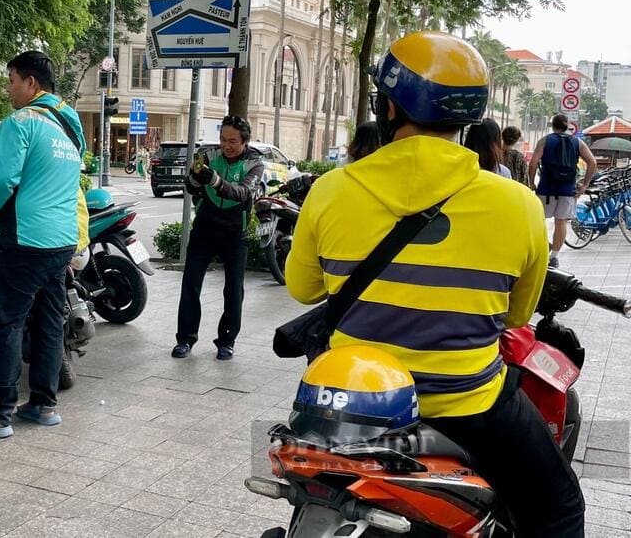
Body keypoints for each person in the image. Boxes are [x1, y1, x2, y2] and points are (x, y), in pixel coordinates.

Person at [286, 31, 583, 537]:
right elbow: (514, 318)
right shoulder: (518, 205)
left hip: (352, 410)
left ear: (387, 107)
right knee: (559, 509)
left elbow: (303, 289)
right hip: (467, 404)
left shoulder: (330, 191)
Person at [0, 51, 85, 439]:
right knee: (50, 321)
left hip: (25, 241)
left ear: (31, 83)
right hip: (63, 240)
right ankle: (43, 405)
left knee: (8, 324)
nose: (8, 87)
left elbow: (1, 183)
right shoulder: (71, 122)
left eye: (11, 79)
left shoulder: (22, 121)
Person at [172, 115, 264, 361]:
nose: (227, 145)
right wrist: (194, 177)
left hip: (235, 232)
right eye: (223, 139)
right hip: (205, 228)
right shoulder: (209, 155)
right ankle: (185, 339)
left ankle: (226, 341)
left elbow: (243, 193)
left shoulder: (254, 163)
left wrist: (214, 180)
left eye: (233, 141)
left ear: (245, 141)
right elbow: (190, 188)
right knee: (191, 283)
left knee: (234, 289)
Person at [528, 113, 597, 268]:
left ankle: (542, 249)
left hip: (546, 188)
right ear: (567, 126)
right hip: (568, 189)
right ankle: (554, 257)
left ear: (553, 125)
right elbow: (592, 162)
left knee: (539, 222)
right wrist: (584, 185)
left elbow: (533, 164)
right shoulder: (577, 142)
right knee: (561, 223)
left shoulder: (545, 141)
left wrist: (531, 182)